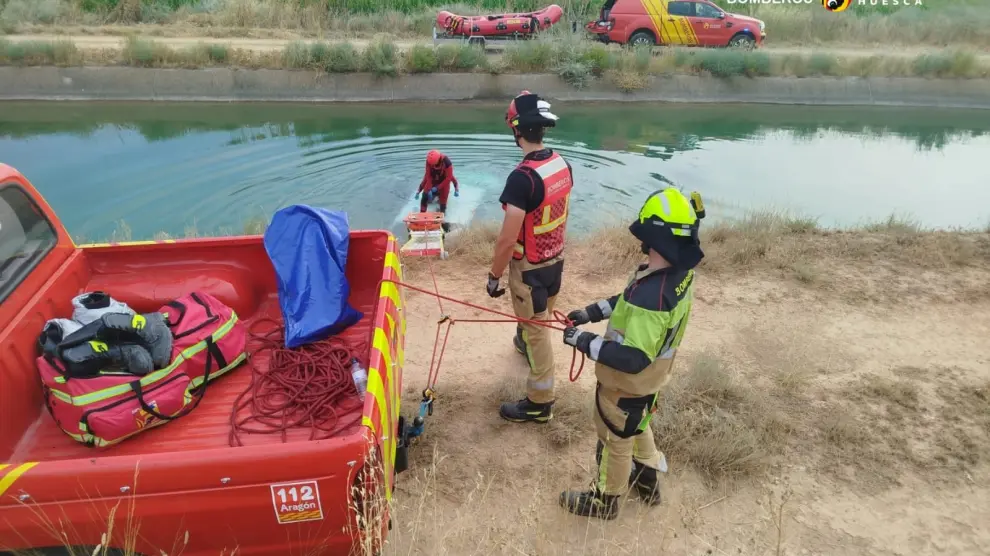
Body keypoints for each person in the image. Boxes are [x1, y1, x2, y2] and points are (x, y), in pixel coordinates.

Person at [557, 187, 705, 520]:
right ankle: (648, 481)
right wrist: (590, 313)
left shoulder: (650, 296)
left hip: (626, 385)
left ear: (652, 235)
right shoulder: (676, 275)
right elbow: (628, 297)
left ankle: (604, 501)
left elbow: (633, 358)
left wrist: (581, 340)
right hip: (651, 382)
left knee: (615, 440)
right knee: (639, 425)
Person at [486, 91, 574, 423]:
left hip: (529, 270)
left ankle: (540, 402)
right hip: (555, 262)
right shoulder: (561, 164)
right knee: (539, 318)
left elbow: (509, 238)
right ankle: (524, 341)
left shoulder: (522, 179)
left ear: (516, 130)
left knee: (539, 332)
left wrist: (494, 276)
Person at [416, 150, 459, 216]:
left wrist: (456, 189)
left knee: (442, 202)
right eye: (431, 165)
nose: (432, 166)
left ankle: (442, 215)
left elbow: (449, 179)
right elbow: (427, 176)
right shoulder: (428, 161)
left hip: (444, 184)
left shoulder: (447, 163)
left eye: (433, 165)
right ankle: (422, 214)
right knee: (425, 196)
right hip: (433, 181)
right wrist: (424, 190)